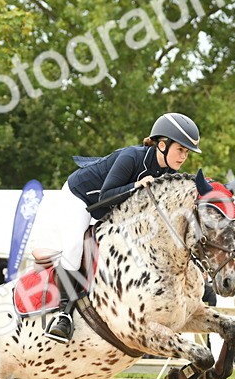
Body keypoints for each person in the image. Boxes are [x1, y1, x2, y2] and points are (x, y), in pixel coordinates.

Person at [47, 113, 202, 342]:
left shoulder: (169, 174)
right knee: (74, 248)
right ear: (162, 145)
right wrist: (136, 185)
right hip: (80, 198)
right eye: (180, 149)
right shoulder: (131, 156)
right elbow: (105, 196)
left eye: (187, 152)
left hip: (112, 211)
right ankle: (63, 314)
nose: (184, 157)